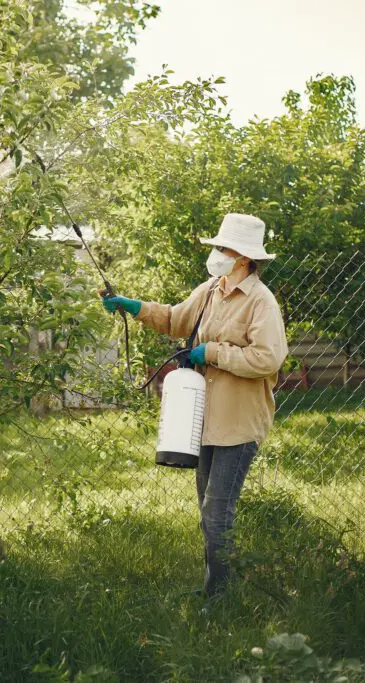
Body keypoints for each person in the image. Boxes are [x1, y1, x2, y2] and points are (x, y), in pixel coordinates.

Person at [101, 213, 288, 597]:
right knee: (208, 509)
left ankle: (220, 597)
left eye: (223, 248)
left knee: (217, 512)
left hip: (238, 423)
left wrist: (213, 352)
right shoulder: (210, 290)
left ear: (244, 258)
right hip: (204, 419)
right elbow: (173, 319)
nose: (216, 253)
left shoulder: (260, 302)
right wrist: (132, 306)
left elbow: (268, 359)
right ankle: (213, 589)